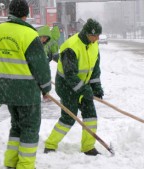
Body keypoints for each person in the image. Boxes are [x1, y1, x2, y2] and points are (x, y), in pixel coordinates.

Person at [0, 0, 51, 168]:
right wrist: (46, 88)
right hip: (26, 91)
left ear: (10, 13)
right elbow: (40, 66)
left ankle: (10, 161)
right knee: (29, 128)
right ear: (25, 15)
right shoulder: (29, 34)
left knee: (16, 126)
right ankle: (26, 165)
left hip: (5, 90)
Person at [44, 18, 104, 156]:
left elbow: (95, 70)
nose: (97, 38)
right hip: (66, 86)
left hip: (83, 85)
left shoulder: (94, 44)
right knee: (69, 117)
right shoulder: (71, 46)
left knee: (91, 117)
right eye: (95, 35)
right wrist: (85, 90)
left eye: (98, 36)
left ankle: (88, 147)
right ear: (88, 33)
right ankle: (50, 145)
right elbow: (70, 74)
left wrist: (96, 88)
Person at [0, 24, 52, 120]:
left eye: (46, 38)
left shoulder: (43, 46)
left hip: (30, 75)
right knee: (3, 93)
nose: (44, 40)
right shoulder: (30, 42)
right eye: (43, 37)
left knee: (25, 95)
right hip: (18, 72)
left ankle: (23, 116)